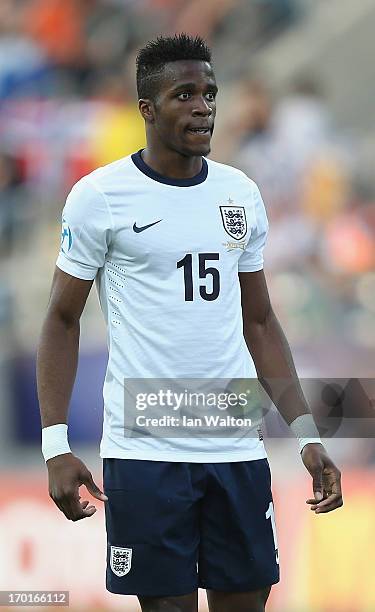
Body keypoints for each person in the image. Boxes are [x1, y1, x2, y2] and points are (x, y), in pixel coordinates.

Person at [37, 34, 343, 612]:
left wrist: (306, 434)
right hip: (145, 452)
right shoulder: (100, 197)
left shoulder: (240, 194)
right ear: (147, 110)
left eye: (210, 93)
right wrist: (56, 446)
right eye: (185, 94)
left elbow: (260, 321)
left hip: (235, 446)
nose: (203, 106)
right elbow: (59, 319)